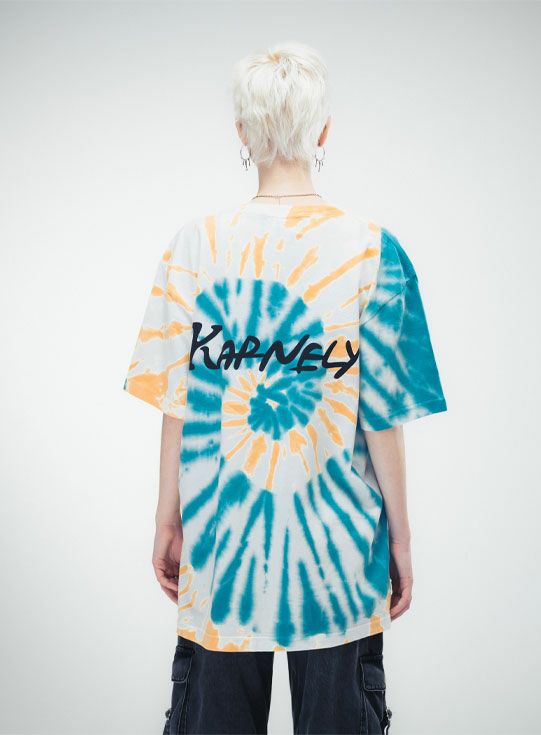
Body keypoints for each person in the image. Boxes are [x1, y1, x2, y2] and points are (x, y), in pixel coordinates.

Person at [123, 41, 447, 735]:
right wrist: (401, 537)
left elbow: (177, 404)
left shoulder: (194, 247)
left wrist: (166, 519)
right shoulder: (373, 251)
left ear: (242, 132)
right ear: (323, 130)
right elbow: (383, 418)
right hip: (339, 558)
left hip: (220, 552)